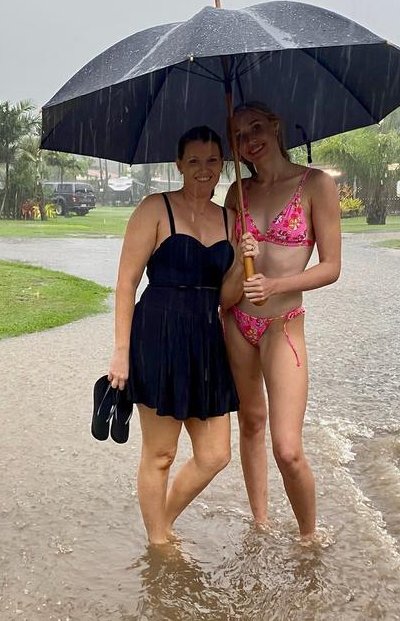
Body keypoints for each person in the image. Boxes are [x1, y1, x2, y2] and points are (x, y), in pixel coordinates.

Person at [108, 126, 259, 545]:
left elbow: (226, 297)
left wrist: (242, 262)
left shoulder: (231, 219)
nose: (203, 170)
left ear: (222, 165)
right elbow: (126, 283)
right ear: (179, 164)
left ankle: (162, 520)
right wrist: (121, 352)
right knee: (160, 454)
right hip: (157, 335)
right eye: (193, 161)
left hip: (207, 341)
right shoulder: (155, 208)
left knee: (215, 455)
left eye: (212, 160)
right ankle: (159, 541)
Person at [223, 103, 341, 541]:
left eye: (256, 126)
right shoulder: (237, 193)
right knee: (250, 423)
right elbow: (227, 267)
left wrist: (275, 285)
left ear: (274, 126)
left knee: (288, 449)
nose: (250, 138)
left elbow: (331, 267)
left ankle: (309, 538)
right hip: (237, 322)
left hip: (283, 325)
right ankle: (260, 526)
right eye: (238, 134)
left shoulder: (315, 185)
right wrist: (240, 255)